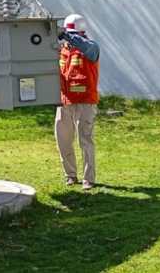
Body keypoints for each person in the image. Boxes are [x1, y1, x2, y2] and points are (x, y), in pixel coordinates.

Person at [56, 13, 101, 190]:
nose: (71, 39)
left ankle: (88, 178)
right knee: (63, 140)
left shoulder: (90, 47)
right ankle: (70, 175)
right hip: (64, 102)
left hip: (85, 102)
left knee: (85, 140)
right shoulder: (62, 51)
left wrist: (66, 34)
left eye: (73, 35)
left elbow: (84, 45)